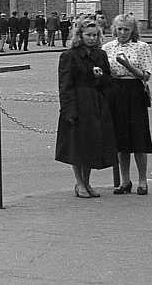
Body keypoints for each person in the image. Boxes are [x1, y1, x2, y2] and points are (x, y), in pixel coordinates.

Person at [54, 18, 117, 198]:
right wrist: (68, 110)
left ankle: (87, 182)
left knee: (91, 144)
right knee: (77, 145)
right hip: (78, 102)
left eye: (95, 35)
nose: (92, 38)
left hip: (96, 103)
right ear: (80, 36)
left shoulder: (100, 55)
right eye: (88, 35)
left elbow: (108, 83)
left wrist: (100, 77)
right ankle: (79, 183)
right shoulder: (69, 56)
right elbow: (65, 85)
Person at [103, 14, 152, 195]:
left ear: (133, 30)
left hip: (134, 90)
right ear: (114, 29)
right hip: (115, 91)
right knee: (121, 139)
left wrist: (127, 65)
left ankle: (142, 180)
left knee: (138, 137)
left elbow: (146, 75)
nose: (123, 32)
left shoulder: (142, 47)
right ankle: (125, 181)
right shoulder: (108, 47)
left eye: (127, 29)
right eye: (119, 29)